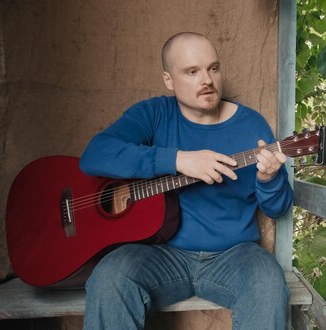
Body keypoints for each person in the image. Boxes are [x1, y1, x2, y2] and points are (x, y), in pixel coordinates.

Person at [79, 32, 293, 329]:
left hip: (234, 256)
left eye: (213, 68)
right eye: (192, 72)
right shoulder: (153, 114)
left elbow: (278, 208)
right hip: (159, 253)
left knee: (268, 282)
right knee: (110, 275)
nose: (207, 79)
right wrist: (177, 160)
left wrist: (268, 179)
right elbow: (95, 155)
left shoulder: (251, 124)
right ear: (169, 80)